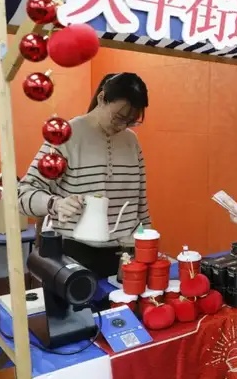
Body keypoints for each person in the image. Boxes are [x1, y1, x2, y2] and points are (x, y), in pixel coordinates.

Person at [18, 72, 151, 278]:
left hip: (125, 257)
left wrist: (148, 245)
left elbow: (140, 203)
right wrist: (55, 204)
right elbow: (23, 194)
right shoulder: (66, 136)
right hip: (74, 256)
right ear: (102, 98)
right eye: (119, 118)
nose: (122, 127)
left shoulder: (131, 142)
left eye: (131, 121)